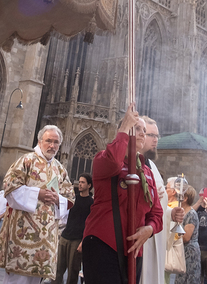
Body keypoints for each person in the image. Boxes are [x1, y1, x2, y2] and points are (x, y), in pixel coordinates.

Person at [82, 103, 163, 284]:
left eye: (144, 130)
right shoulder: (103, 158)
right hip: (104, 243)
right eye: (137, 128)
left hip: (134, 250)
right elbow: (113, 162)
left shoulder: (147, 173)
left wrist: (149, 229)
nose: (142, 133)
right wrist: (125, 128)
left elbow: (157, 213)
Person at [0, 124, 76, 284]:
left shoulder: (60, 169)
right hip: (22, 233)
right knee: (17, 279)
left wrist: (58, 199)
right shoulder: (26, 160)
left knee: (36, 279)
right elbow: (10, 186)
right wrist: (38, 193)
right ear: (39, 141)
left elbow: (70, 197)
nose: (52, 146)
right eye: (49, 141)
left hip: (46, 239)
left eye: (56, 142)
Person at [140, 117, 185, 284]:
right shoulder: (133, 164)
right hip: (142, 237)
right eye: (151, 135)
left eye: (157, 136)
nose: (156, 140)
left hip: (154, 236)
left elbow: (158, 204)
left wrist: (170, 213)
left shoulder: (153, 167)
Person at [56, 172, 94, 284]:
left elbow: (90, 224)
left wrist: (83, 241)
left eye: (83, 182)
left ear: (89, 185)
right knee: (57, 270)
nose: (80, 184)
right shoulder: (73, 199)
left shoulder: (91, 203)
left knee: (73, 272)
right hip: (65, 236)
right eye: (79, 182)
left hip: (77, 240)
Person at [173, 185, 201, 284]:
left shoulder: (191, 214)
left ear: (185, 198)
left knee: (189, 279)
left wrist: (173, 236)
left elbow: (186, 237)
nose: (176, 197)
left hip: (189, 252)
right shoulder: (182, 211)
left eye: (179, 195)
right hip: (183, 250)